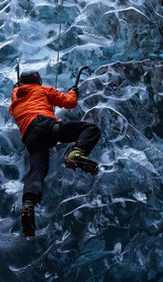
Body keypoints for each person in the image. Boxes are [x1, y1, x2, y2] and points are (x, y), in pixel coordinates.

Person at [9, 71, 101, 236]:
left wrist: (17, 88)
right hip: (46, 127)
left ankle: (28, 205)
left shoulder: (15, 100)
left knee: (36, 173)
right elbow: (69, 102)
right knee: (90, 129)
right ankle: (76, 152)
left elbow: (17, 97)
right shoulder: (43, 90)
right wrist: (74, 90)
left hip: (31, 139)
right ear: (37, 80)